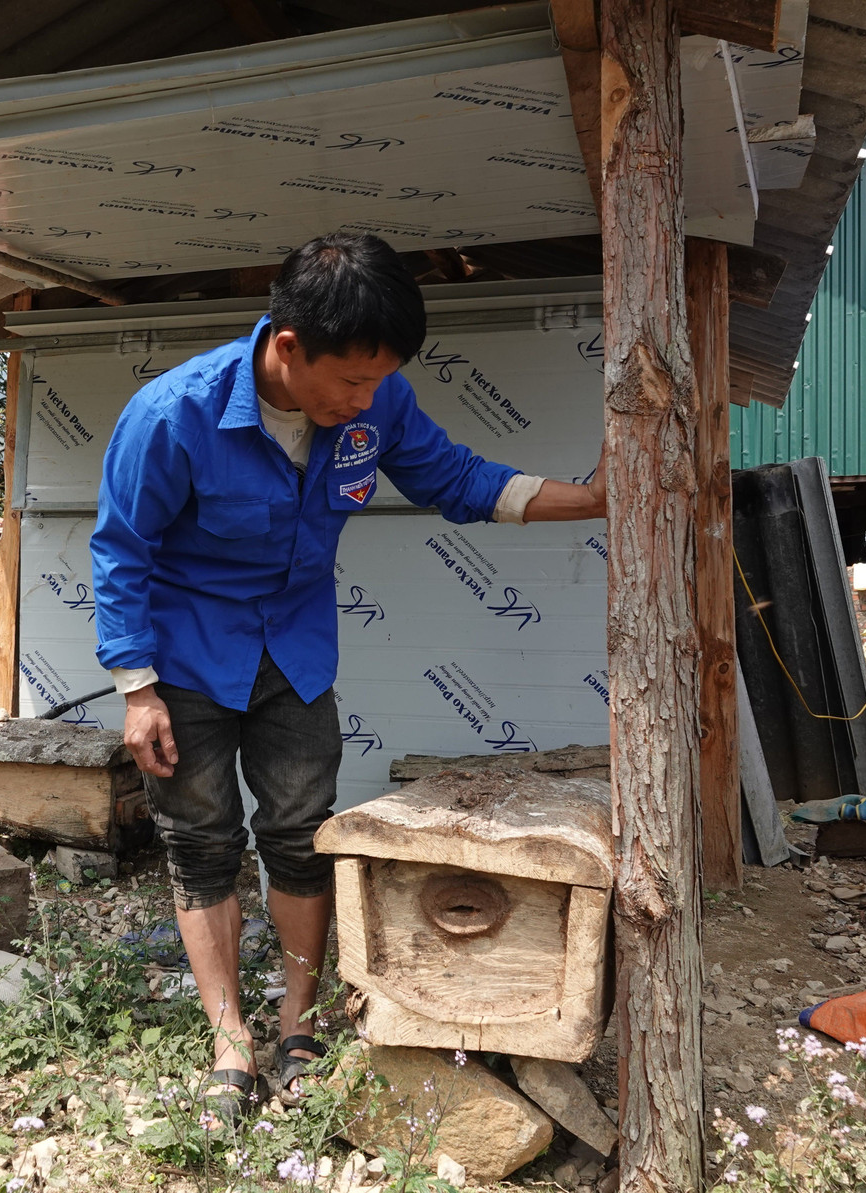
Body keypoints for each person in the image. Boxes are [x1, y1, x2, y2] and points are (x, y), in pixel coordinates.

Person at [89, 231, 606, 1124]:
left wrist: (592, 499)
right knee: (202, 844)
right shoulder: (173, 415)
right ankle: (229, 1039)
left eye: (379, 382)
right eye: (353, 382)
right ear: (289, 348)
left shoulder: (378, 401)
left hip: (295, 654)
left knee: (300, 835)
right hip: (186, 661)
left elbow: (458, 480)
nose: (367, 401)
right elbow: (121, 549)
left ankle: (296, 1021)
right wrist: (137, 690)